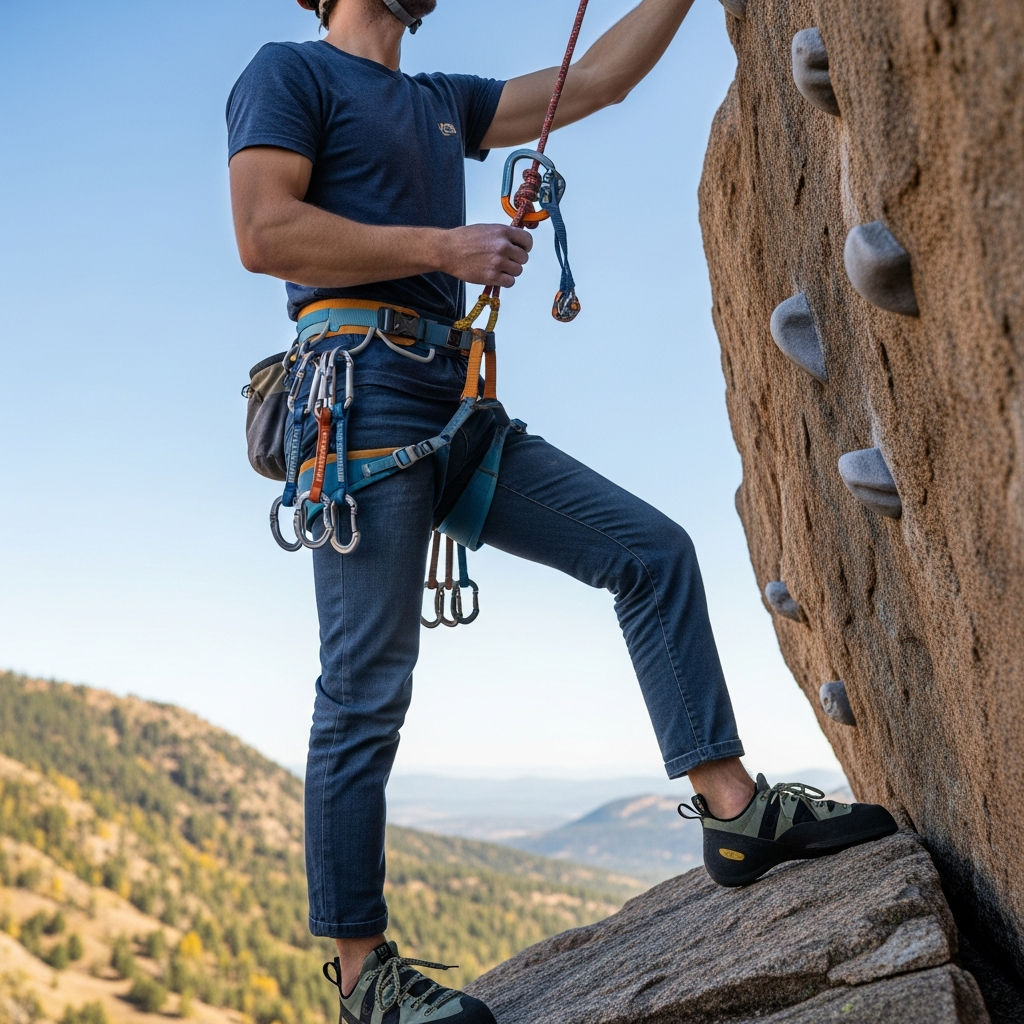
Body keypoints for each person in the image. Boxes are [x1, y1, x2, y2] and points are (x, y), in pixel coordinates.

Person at [226, 1, 898, 1020]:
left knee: (649, 551)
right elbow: (265, 231)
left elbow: (596, 81)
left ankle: (734, 813)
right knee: (364, 686)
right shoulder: (290, 73)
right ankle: (363, 980)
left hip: (454, 402)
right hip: (359, 396)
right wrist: (445, 247)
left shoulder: (441, 100)